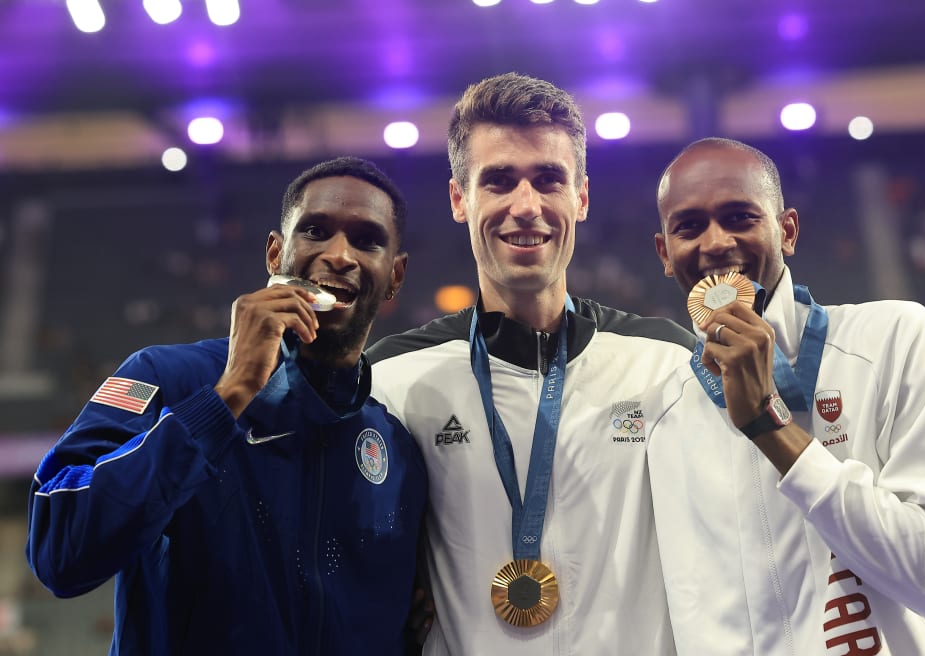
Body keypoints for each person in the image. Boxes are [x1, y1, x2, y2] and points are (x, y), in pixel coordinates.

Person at [26, 156, 427, 655]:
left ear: (396, 275)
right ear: (275, 253)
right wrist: (228, 395)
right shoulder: (166, 377)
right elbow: (59, 552)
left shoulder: (397, 450)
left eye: (367, 240)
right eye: (316, 231)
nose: (339, 254)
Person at [366, 73, 696, 654]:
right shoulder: (392, 380)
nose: (526, 206)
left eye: (549, 179)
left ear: (582, 197)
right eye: (498, 181)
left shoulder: (668, 364)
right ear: (459, 198)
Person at [649, 136, 925, 654]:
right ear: (664, 252)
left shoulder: (894, 337)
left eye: (740, 217)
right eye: (688, 226)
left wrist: (769, 425)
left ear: (787, 230)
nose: (716, 241)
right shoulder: (660, 411)